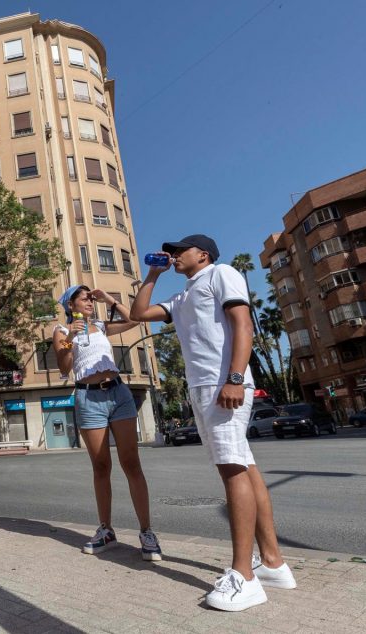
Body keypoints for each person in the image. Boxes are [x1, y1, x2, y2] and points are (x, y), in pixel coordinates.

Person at [130, 234, 296, 611]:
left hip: (224, 384)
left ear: (201, 254)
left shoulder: (222, 273)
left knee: (232, 471)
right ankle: (273, 562)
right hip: (202, 387)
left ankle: (244, 577)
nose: (173, 256)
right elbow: (138, 314)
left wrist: (235, 379)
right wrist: (153, 274)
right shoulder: (182, 295)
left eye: (179, 251)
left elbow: (243, 325)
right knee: (245, 467)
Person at [54, 284, 162, 561]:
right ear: (71, 305)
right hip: (88, 399)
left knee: (131, 463)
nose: (90, 302)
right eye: (84, 299)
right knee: (101, 466)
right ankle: (106, 529)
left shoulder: (101, 326)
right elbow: (64, 366)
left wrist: (110, 299)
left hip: (118, 393)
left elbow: (134, 320)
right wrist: (70, 340)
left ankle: (147, 532)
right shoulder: (63, 331)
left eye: (92, 298)